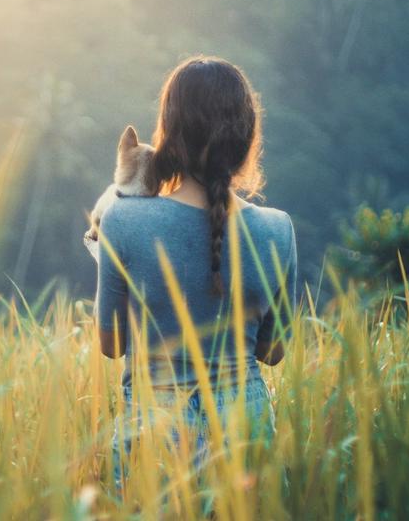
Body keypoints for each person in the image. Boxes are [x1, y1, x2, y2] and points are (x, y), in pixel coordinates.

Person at [91, 55, 298, 499]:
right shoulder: (278, 229)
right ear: (245, 139)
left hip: (155, 431)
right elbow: (274, 352)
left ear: (168, 135)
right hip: (246, 429)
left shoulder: (123, 221)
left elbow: (113, 346)